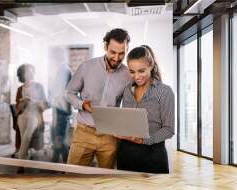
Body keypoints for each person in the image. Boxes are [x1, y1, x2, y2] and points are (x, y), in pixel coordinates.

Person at [66, 28, 131, 169]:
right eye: (113, 52)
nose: (116, 58)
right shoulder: (86, 67)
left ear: (127, 49)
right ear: (105, 46)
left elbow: (127, 106)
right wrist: (82, 104)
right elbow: (69, 93)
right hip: (84, 133)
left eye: (122, 53)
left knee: (106, 180)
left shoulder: (127, 75)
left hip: (110, 136)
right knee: (72, 177)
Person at [117, 45, 175, 173]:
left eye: (141, 71)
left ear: (151, 65)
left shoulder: (164, 92)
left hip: (153, 156)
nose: (136, 76)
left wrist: (143, 140)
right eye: (132, 72)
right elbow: (126, 120)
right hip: (125, 154)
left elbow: (169, 130)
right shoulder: (127, 90)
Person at [15, 64, 49, 161]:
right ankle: (24, 158)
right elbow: (18, 109)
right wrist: (23, 102)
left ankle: (21, 163)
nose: (30, 73)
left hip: (35, 115)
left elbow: (45, 105)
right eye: (27, 71)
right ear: (22, 74)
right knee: (23, 138)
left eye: (31, 70)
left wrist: (34, 101)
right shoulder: (20, 89)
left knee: (27, 136)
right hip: (23, 116)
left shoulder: (39, 86)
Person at [48, 48, 73, 163]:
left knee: (59, 140)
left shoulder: (64, 70)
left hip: (61, 110)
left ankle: (64, 166)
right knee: (58, 139)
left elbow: (57, 91)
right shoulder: (63, 69)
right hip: (61, 108)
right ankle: (57, 163)